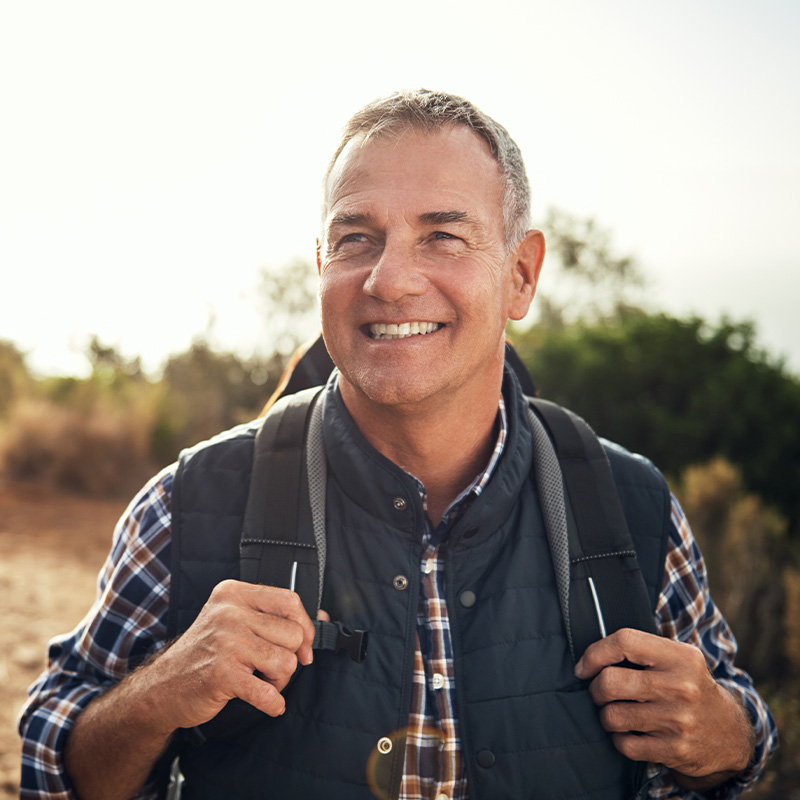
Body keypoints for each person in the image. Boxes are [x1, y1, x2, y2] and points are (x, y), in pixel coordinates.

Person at [19, 89, 777, 800]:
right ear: (322, 266)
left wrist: (734, 736)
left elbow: (733, 735)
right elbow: (55, 765)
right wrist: (160, 693)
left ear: (520, 273)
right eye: (357, 238)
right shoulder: (186, 504)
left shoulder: (633, 506)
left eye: (443, 236)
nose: (389, 279)